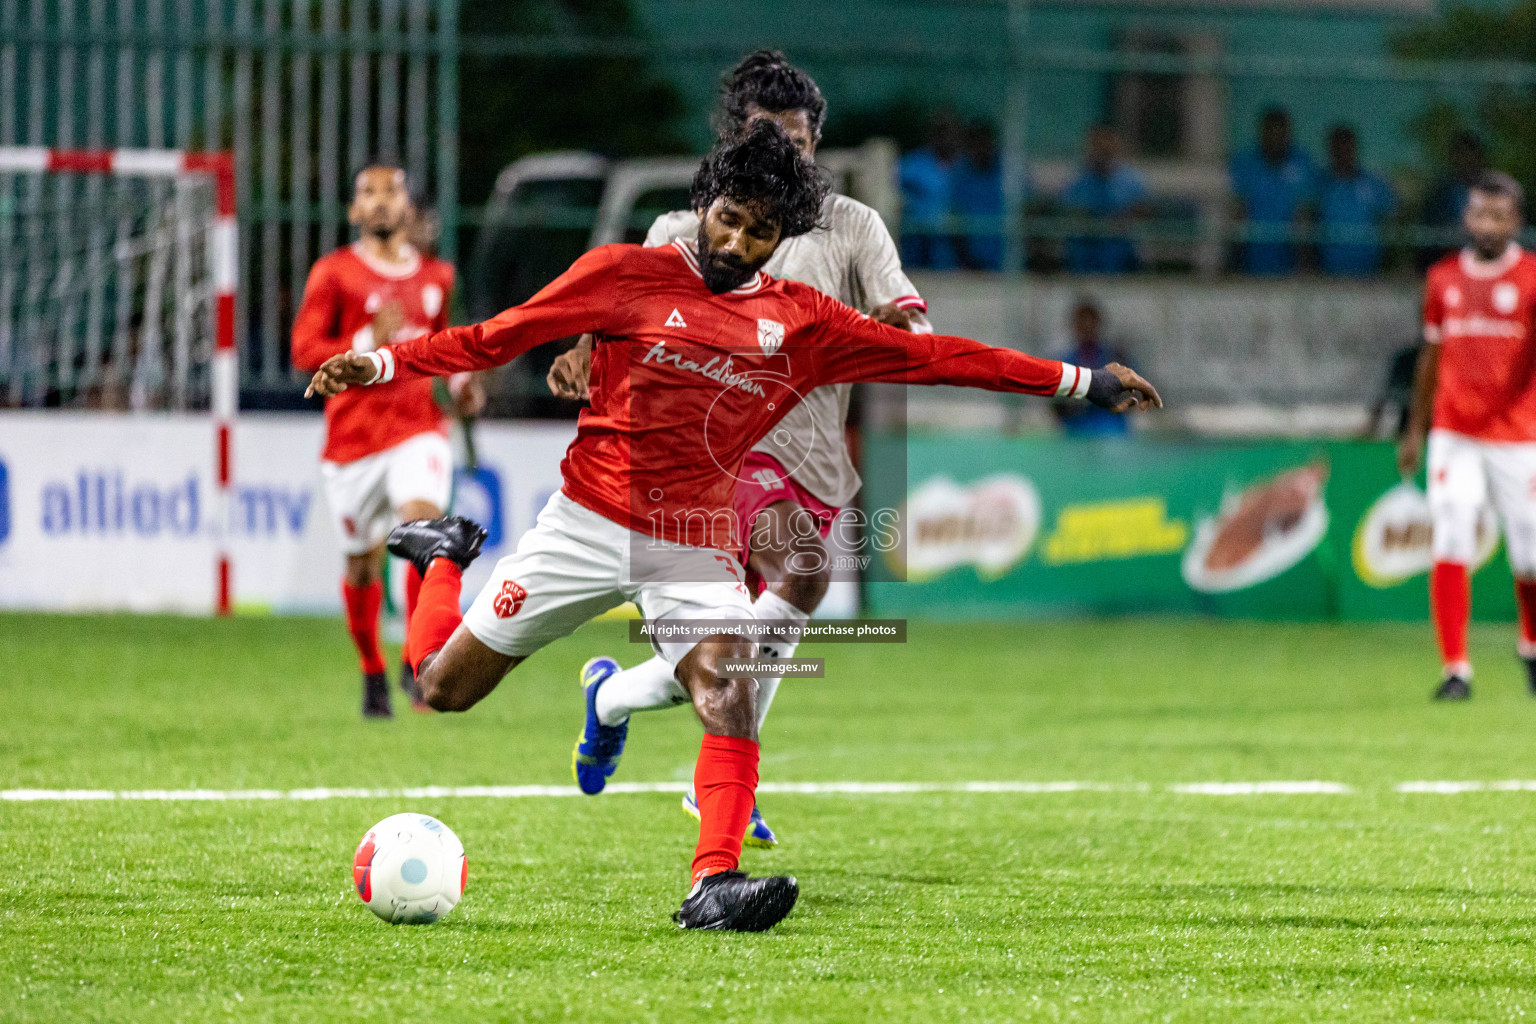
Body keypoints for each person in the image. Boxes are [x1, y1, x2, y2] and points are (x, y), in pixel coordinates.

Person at [305, 121, 1161, 931]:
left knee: (730, 688)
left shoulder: (803, 321)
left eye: (758, 233)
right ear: (703, 202)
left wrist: (1079, 384)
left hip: (690, 538)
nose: (736, 244)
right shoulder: (623, 273)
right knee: (441, 688)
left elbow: (939, 359)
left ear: (780, 238)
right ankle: (442, 559)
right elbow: (498, 337)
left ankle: (712, 882)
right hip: (584, 522)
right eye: (726, 219)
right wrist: (381, 362)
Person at [547, 51, 930, 851]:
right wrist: (587, 348)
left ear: (817, 143)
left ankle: (610, 702)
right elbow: (622, 302)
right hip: (709, 466)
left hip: (817, 463)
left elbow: (909, 316)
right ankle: (722, 788)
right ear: (733, 141)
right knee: (803, 573)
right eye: (767, 139)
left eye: (797, 141)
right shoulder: (685, 230)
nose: (785, 157)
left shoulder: (853, 226)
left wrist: (904, 336)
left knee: (731, 655)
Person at [290, 165, 483, 718]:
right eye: (368, 194)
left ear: (407, 209)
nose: (379, 203)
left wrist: (465, 388)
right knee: (361, 566)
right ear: (354, 211)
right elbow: (304, 350)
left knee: (424, 530)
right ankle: (373, 670)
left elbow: (451, 348)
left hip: (417, 427)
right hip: (351, 441)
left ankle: (417, 660)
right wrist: (362, 341)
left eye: (390, 193)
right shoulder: (334, 274)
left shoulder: (438, 278)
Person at [1398, 172, 1536, 702]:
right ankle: (1457, 668)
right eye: (1480, 213)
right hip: (1454, 431)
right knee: (1452, 535)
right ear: (1466, 216)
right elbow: (1430, 358)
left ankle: (1529, 643)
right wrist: (1415, 428)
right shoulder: (1442, 279)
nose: (1488, 224)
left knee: (1527, 552)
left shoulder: (1530, 278)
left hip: (1517, 436)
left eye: (1499, 215)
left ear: (1516, 221)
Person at [1230, 107, 1316, 275]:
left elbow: (1306, 214)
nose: (1275, 139)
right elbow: (1238, 210)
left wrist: (1305, 264)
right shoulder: (1244, 163)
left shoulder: (1303, 164)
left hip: (1291, 265)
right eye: (1271, 132)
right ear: (1262, 133)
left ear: (1288, 134)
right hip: (1251, 261)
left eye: (1280, 133)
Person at [1058, 124, 1150, 274]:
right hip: (1082, 263)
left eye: (1107, 147)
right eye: (1097, 146)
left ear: (1116, 148)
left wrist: (1126, 217)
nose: (1101, 152)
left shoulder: (1131, 180)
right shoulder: (1077, 182)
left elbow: (1144, 210)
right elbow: (1070, 212)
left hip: (1121, 262)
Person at [1316, 125, 1396, 277]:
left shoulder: (1374, 184)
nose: (1343, 153)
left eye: (1347, 147)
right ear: (1331, 151)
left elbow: (1395, 223)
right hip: (1327, 277)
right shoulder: (1319, 185)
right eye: (1338, 148)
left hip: (1369, 276)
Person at [1052, 300, 1131, 437]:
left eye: (1090, 324)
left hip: (1110, 428)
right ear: (1075, 326)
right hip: (1076, 428)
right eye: (1082, 324)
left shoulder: (1116, 358)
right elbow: (1056, 404)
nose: (1087, 328)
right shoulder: (1065, 362)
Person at [898, 112, 961, 269]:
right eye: (940, 131)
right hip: (917, 241)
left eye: (949, 131)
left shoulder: (963, 166)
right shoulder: (913, 164)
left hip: (948, 246)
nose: (945, 137)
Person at [1419, 130, 1488, 271]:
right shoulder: (1442, 194)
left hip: (1487, 263)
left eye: (1471, 155)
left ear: (1479, 157)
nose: (1467, 160)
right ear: (1454, 158)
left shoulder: (1494, 192)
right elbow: (1430, 236)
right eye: (1461, 155)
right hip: (1450, 264)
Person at [950, 119, 1006, 271]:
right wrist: (967, 261)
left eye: (985, 142)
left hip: (1006, 266)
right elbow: (954, 222)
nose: (982, 148)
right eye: (976, 143)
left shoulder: (1009, 174)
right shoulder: (959, 176)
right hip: (969, 268)